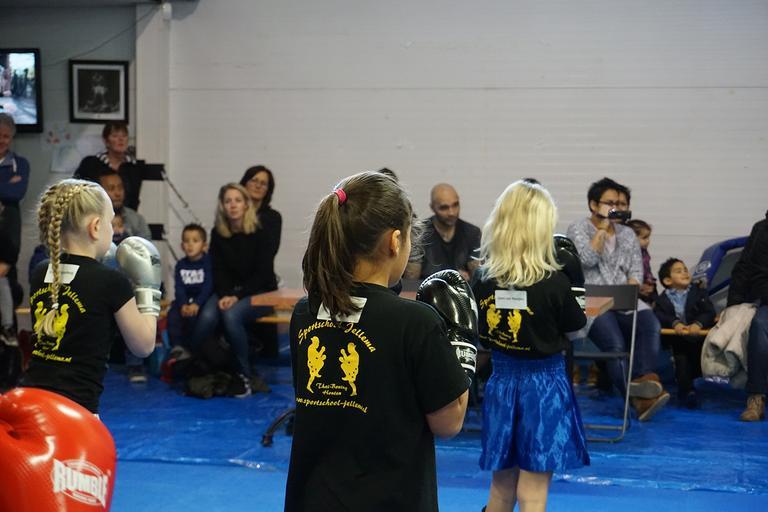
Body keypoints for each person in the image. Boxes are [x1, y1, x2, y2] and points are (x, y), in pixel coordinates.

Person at [285, 171, 472, 511]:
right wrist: (462, 345)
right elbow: (448, 423)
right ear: (395, 241)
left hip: (314, 498)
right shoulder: (415, 322)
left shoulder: (306, 312)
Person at [471, 180, 588, 512]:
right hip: (544, 386)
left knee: (501, 487)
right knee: (533, 492)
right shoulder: (555, 281)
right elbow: (577, 330)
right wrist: (577, 286)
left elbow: (482, 334)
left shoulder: (482, 278)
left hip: (501, 382)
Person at [19, 178, 158, 414]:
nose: (112, 229)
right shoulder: (111, 281)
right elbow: (144, 346)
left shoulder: (41, 271)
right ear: (95, 227)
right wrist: (148, 286)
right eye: (110, 222)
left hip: (33, 402)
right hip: (76, 413)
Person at [566, 177, 669, 421]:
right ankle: (638, 400)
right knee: (615, 346)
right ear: (594, 205)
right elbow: (586, 260)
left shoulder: (628, 234)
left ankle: (644, 379)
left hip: (624, 299)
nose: (617, 208)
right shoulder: (578, 228)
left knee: (650, 324)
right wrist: (602, 228)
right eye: (610, 203)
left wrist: (630, 290)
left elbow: (636, 271)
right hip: (592, 301)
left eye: (621, 204)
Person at [192, 183, 277, 397]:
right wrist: (224, 294)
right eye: (228, 201)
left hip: (261, 291)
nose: (233, 205)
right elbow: (218, 270)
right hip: (228, 291)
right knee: (207, 317)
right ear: (222, 206)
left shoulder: (261, 232)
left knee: (231, 316)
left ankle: (244, 375)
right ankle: (196, 364)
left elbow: (263, 274)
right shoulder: (218, 233)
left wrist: (236, 296)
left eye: (237, 200)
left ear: (246, 204)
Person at [654, 258, 716, 408]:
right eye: (678, 271)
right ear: (667, 281)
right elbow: (660, 315)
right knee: (681, 361)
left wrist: (698, 324)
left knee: (696, 361)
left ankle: (691, 384)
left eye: (685, 270)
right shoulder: (662, 300)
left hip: (698, 337)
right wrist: (675, 323)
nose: (684, 273)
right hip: (677, 339)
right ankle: (687, 391)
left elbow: (709, 312)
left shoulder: (699, 293)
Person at [727, 211, 768, 421]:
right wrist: (732, 305)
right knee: (759, 325)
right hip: (765, 300)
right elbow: (744, 268)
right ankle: (756, 397)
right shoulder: (761, 229)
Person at [405, 183, 481, 281]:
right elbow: (411, 280)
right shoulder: (419, 233)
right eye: (444, 208)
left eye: (455, 205)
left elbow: (478, 277)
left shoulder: (472, 233)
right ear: (432, 207)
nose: (451, 212)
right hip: (427, 289)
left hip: (460, 290)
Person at [0, 113, 29, 344]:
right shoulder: (12, 171)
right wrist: (5, 185)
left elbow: (16, 194)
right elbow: (8, 191)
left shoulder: (21, 164)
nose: (1, 140)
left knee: (6, 281)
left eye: (6, 136)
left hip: (8, 236)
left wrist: (9, 190)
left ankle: (9, 336)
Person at [73, 122, 144, 211]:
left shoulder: (133, 168)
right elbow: (76, 191)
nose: (121, 139)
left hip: (125, 214)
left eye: (124, 136)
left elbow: (134, 199)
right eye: (115, 136)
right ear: (106, 141)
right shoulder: (90, 164)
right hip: (95, 212)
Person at [167, 223, 213, 351]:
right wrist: (183, 304)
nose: (190, 245)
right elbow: (179, 287)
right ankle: (177, 347)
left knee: (196, 318)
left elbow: (208, 286)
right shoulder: (181, 265)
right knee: (173, 315)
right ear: (182, 246)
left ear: (204, 245)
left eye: (195, 241)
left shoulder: (208, 263)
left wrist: (197, 303)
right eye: (186, 241)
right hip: (185, 300)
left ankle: (194, 348)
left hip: (201, 301)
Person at [99, 173, 151, 240]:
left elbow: (145, 245)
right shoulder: (92, 217)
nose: (118, 193)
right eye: (111, 188)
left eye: (120, 188)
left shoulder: (136, 219)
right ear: (100, 192)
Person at [627, 219, 658, 305]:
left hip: (647, 283)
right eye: (644, 238)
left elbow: (647, 270)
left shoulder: (644, 252)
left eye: (648, 237)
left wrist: (650, 283)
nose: (648, 241)